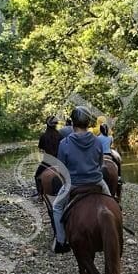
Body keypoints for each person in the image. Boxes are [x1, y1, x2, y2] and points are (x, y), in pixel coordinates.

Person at [51, 106, 111, 254]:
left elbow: (61, 169)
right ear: (88, 122)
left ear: (73, 123)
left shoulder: (64, 143)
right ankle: (117, 226)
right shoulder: (97, 141)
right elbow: (100, 164)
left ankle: (61, 241)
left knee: (57, 207)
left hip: (73, 184)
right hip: (97, 182)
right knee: (112, 203)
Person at [35, 115, 62, 192]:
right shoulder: (60, 136)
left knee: (37, 175)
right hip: (59, 161)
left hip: (47, 162)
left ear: (47, 124)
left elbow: (41, 150)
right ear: (55, 124)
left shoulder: (43, 136)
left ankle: (40, 193)